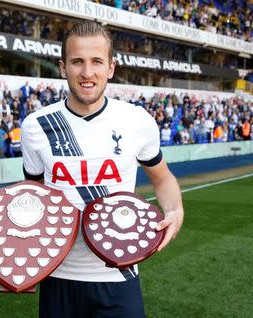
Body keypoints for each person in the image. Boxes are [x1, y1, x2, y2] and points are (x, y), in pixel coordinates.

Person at [21, 21, 184, 318]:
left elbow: (162, 177)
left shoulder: (136, 120)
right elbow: (32, 196)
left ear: (110, 67)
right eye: (77, 62)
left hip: (118, 273)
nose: (87, 72)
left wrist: (175, 209)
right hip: (57, 274)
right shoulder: (36, 126)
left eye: (96, 61)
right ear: (62, 67)